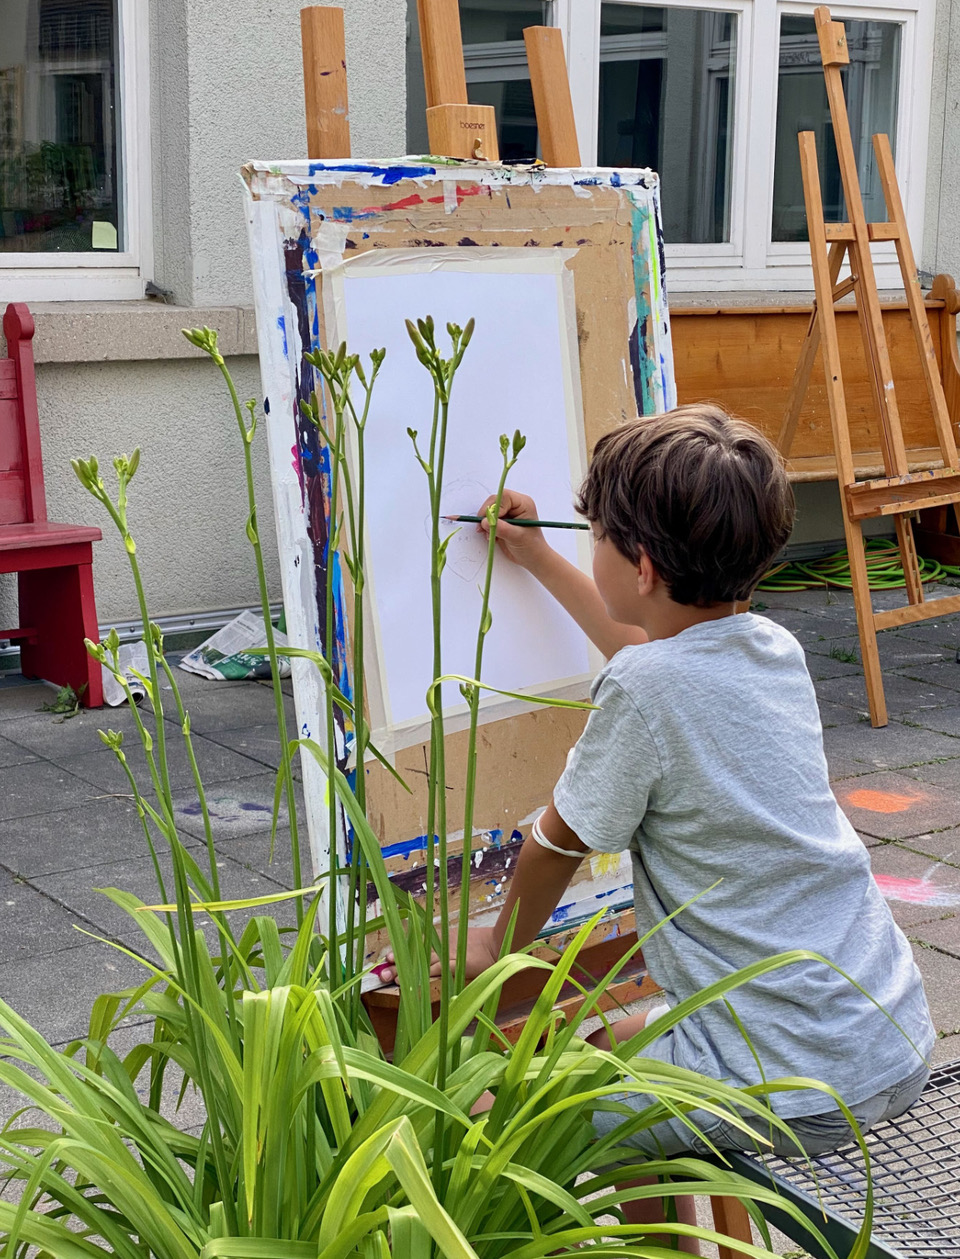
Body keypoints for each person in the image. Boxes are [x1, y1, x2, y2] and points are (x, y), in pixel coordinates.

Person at [380, 404, 934, 1252]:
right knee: (613, 1037)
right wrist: (542, 556)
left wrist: (498, 943)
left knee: (549, 1099)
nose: (587, 542)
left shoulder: (644, 690)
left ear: (638, 562)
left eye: (593, 532)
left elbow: (558, 840)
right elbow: (646, 644)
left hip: (801, 1078)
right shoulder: (769, 650)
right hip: (884, 1032)